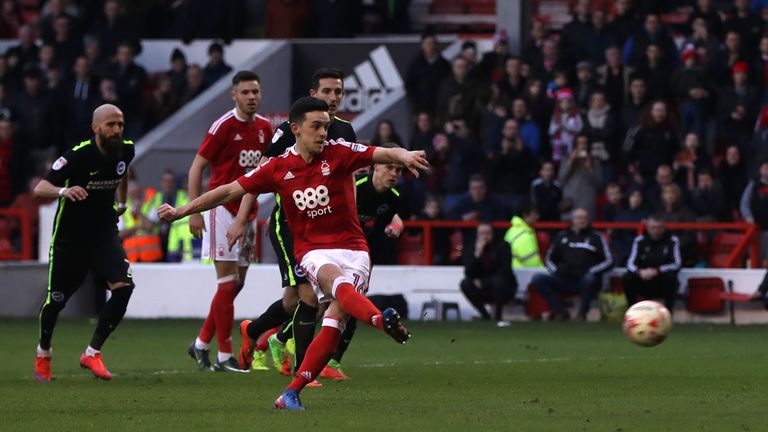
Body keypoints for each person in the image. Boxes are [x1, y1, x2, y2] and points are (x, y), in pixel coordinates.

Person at [158, 96, 428, 411]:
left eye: (326, 126)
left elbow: (383, 152)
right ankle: (381, 321)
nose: (323, 133)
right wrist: (182, 211)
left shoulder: (340, 153)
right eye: (316, 126)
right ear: (296, 129)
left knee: (334, 320)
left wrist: (405, 154)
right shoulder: (278, 166)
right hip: (313, 250)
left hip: (354, 249)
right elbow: (231, 189)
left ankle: (291, 392)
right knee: (334, 285)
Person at [234, 68, 357, 381]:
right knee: (310, 297)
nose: (333, 98)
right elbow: (258, 175)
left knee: (294, 302)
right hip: (289, 223)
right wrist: (242, 219)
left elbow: (349, 180)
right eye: (327, 91)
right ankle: (307, 370)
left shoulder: (345, 131)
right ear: (313, 94)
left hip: (326, 227)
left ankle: (257, 330)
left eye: (338, 92)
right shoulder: (296, 128)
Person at [32, 104, 135, 382]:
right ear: (96, 128)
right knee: (56, 302)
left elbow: (123, 171)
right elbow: (40, 187)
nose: (116, 130)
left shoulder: (125, 148)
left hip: (103, 233)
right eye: (111, 125)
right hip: (70, 239)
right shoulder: (77, 156)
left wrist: (122, 202)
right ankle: (44, 352)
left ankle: (92, 352)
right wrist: (63, 190)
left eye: (120, 124)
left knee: (124, 288)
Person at [185, 71, 273, 373]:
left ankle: (200, 343)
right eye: (245, 92)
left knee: (237, 284)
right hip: (221, 211)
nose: (251, 97)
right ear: (233, 95)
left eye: (255, 92)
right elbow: (197, 167)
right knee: (227, 283)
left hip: (247, 215)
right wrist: (195, 212)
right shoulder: (223, 126)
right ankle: (224, 356)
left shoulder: (264, 128)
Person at [532, 208, 612, 320]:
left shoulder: (597, 238)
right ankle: (560, 311)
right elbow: (548, 258)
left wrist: (589, 271)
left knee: (589, 279)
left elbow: (609, 261)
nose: (582, 220)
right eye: (579, 217)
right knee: (538, 279)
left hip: (585, 279)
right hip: (564, 278)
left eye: (585, 218)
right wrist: (557, 271)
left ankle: (582, 313)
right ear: (573, 220)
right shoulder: (561, 236)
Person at [622, 215, 681, 313]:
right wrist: (640, 272)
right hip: (643, 279)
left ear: (664, 227)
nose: (656, 231)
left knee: (671, 277)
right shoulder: (639, 241)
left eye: (659, 228)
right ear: (648, 228)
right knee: (627, 277)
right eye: (653, 228)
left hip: (661, 279)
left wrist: (657, 270)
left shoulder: (672, 241)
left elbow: (677, 264)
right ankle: (632, 312)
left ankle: (668, 313)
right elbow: (630, 264)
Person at [460, 222, 516, 324]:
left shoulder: (503, 246)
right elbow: (468, 273)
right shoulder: (471, 248)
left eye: (487, 233)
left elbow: (505, 271)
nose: (484, 236)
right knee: (465, 283)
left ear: (492, 233)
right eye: (481, 233)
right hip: (482, 289)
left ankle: (498, 316)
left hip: (503, 288)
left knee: (498, 282)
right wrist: (477, 254)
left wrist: (484, 282)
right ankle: (485, 315)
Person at [504, 202, 542, 269]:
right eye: (534, 213)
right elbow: (533, 263)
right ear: (525, 215)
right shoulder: (525, 236)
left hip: (510, 272)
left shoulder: (511, 230)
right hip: (520, 274)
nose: (537, 217)